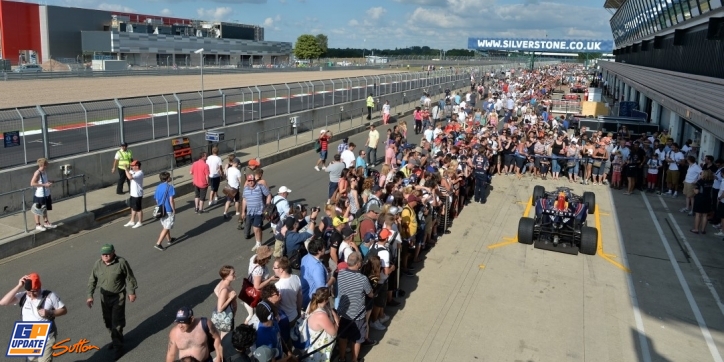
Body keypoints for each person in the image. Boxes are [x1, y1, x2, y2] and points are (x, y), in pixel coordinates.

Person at [0, 273, 68, 362]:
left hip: (46, 336)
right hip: (30, 337)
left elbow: (64, 310)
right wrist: (19, 285)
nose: (31, 295)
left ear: (39, 288)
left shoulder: (50, 296)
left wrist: (50, 312)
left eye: (34, 292)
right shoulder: (24, 296)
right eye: (29, 292)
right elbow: (3, 302)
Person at [86, 244, 138, 359]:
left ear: (114, 252)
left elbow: (129, 278)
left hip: (118, 296)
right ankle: (116, 339)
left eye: (107, 253)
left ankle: (118, 347)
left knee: (116, 322)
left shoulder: (121, 262)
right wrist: (90, 296)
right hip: (104, 298)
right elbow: (92, 280)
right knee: (108, 321)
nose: (105, 256)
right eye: (103, 254)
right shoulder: (98, 264)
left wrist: (131, 292)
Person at [336, 252, 374, 362]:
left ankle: (342, 358)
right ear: (357, 264)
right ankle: (354, 359)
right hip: (357, 314)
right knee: (357, 339)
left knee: (343, 337)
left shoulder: (340, 274)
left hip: (343, 313)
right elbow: (370, 294)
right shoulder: (363, 279)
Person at [243, 246, 277, 324]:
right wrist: (270, 279)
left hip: (249, 290)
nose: (270, 257)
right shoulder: (259, 269)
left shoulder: (253, 258)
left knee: (252, 315)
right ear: (265, 258)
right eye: (269, 256)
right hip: (255, 295)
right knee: (251, 316)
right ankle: (245, 327)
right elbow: (257, 286)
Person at [305, 287, 338, 362]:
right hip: (321, 350)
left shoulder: (312, 304)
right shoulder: (321, 315)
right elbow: (334, 333)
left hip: (314, 345)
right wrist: (337, 320)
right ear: (327, 298)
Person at [300, 238, 335, 308]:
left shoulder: (305, 257)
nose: (325, 249)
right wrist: (332, 280)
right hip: (313, 302)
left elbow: (310, 273)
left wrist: (324, 271)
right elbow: (321, 289)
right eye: (324, 247)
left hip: (304, 296)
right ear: (319, 251)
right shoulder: (317, 267)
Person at [241, 175, 271, 251]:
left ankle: (259, 244)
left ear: (254, 180)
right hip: (250, 212)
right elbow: (244, 200)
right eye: (249, 181)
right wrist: (243, 212)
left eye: (252, 180)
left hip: (259, 211)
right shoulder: (245, 189)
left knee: (257, 228)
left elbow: (268, 195)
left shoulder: (260, 187)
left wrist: (267, 205)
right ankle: (258, 243)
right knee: (255, 229)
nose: (250, 182)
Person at [272, 257, 302, 324]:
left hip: (284, 319)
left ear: (281, 270)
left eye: (274, 267)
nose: (273, 269)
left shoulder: (277, 286)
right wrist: (299, 312)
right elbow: (299, 298)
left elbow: (275, 305)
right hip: (295, 315)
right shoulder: (296, 278)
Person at [29, 158, 57, 231]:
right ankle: (37, 225)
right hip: (40, 195)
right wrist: (45, 185)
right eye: (46, 163)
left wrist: (49, 181)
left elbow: (43, 181)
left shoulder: (44, 171)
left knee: (44, 209)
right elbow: (32, 183)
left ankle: (46, 222)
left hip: (46, 194)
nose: (48, 164)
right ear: (43, 164)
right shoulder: (37, 173)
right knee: (37, 210)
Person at [154, 171, 177, 251]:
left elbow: (156, 200)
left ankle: (169, 239)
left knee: (165, 225)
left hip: (161, 209)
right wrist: (174, 209)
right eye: (169, 177)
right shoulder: (170, 187)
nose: (170, 178)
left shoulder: (158, 187)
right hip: (168, 209)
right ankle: (158, 243)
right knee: (167, 226)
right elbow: (171, 200)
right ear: (167, 179)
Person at [214, 265, 238, 340]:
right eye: (232, 274)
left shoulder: (223, 282)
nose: (235, 275)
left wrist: (221, 297)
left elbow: (215, 290)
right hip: (226, 317)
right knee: (226, 337)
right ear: (226, 276)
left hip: (228, 315)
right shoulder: (224, 289)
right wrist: (230, 298)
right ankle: (224, 350)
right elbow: (220, 309)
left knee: (225, 335)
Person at [123, 160, 144, 228]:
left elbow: (130, 177)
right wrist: (126, 169)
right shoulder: (134, 172)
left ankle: (140, 222)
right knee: (133, 208)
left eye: (133, 166)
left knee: (138, 209)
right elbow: (130, 172)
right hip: (133, 194)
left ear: (137, 166)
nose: (131, 167)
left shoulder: (139, 173)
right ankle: (132, 221)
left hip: (137, 194)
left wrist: (126, 169)